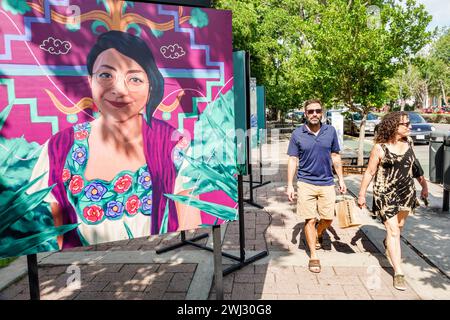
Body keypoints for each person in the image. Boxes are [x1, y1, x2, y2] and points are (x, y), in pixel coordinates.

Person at [27, 31, 201, 249]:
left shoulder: (173, 145)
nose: (119, 90)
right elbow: (56, 237)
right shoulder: (59, 149)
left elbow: (192, 225)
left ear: (150, 87)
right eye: (106, 76)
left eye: (135, 79)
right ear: (90, 81)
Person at [358, 111, 428, 291]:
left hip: (406, 193)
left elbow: (415, 166)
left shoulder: (409, 142)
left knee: (399, 227)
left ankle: (388, 242)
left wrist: (424, 186)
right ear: (394, 127)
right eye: (406, 124)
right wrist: (361, 194)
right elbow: (369, 172)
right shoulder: (380, 148)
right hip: (385, 194)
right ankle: (398, 272)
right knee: (394, 231)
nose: (409, 127)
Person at [286, 99, 347, 273]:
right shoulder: (297, 133)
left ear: (322, 113)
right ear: (305, 113)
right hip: (305, 182)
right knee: (310, 219)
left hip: (327, 181)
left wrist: (341, 180)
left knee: (328, 219)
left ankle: (319, 233)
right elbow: (292, 159)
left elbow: (335, 156)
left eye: (317, 111)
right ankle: (313, 255)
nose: (314, 114)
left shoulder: (330, 131)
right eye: (310, 111)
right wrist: (290, 185)